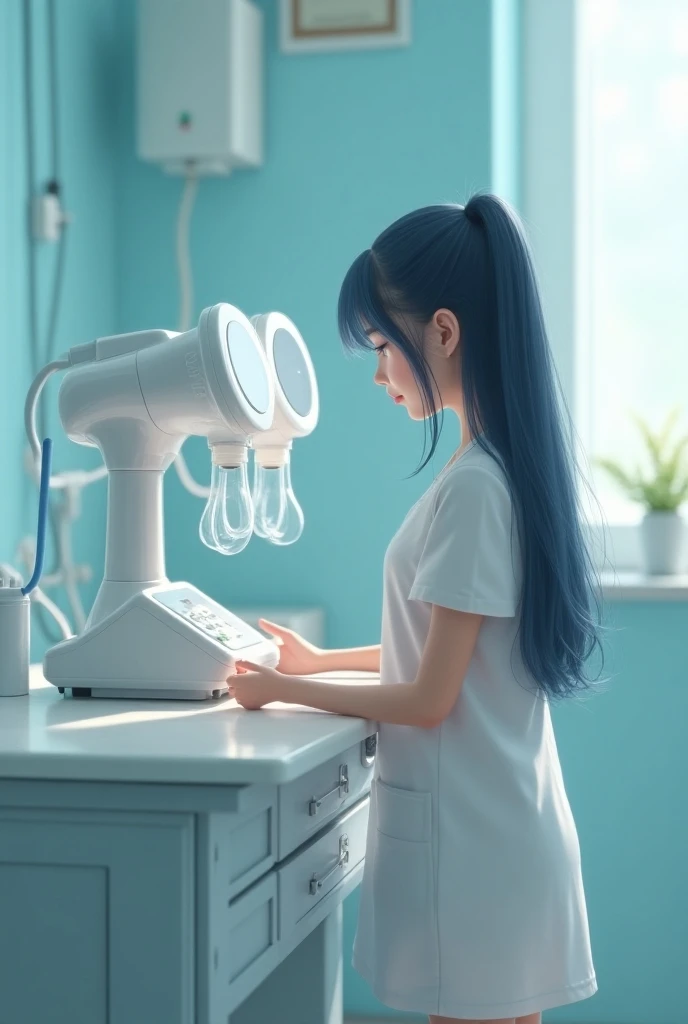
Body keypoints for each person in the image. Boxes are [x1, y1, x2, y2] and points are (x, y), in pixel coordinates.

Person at [228, 194, 603, 1024]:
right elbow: (443, 651)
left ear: (441, 331)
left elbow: (429, 698)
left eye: (380, 347)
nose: (377, 374)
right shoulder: (493, 470)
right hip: (503, 835)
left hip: (478, 853)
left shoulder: (475, 488)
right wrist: (315, 662)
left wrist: (283, 693)